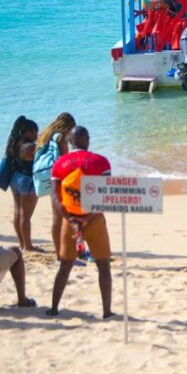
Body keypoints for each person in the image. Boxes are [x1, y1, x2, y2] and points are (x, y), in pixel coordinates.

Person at [46, 126, 114, 318]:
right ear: (87, 139)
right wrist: (86, 219)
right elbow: (104, 196)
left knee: (65, 266)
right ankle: (107, 311)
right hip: (94, 219)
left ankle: (54, 308)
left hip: (70, 220)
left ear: (69, 142)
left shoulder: (59, 163)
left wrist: (71, 219)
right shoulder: (100, 162)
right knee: (103, 265)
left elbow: (55, 198)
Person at [33, 112, 76, 251]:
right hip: (61, 181)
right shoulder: (60, 139)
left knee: (56, 219)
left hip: (50, 179)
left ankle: (59, 250)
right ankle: (65, 250)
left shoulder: (45, 136)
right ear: (68, 127)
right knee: (64, 218)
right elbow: (66, 160)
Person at [4, 116, 41, 251]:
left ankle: (22, 243)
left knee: (18, 212)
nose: (36, 135)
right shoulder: (31, 146)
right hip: (27, 180)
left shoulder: (14, 143)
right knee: (26, 215)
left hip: (15, 178)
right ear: (29, 131)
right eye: (35, 132)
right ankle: (28, 246)